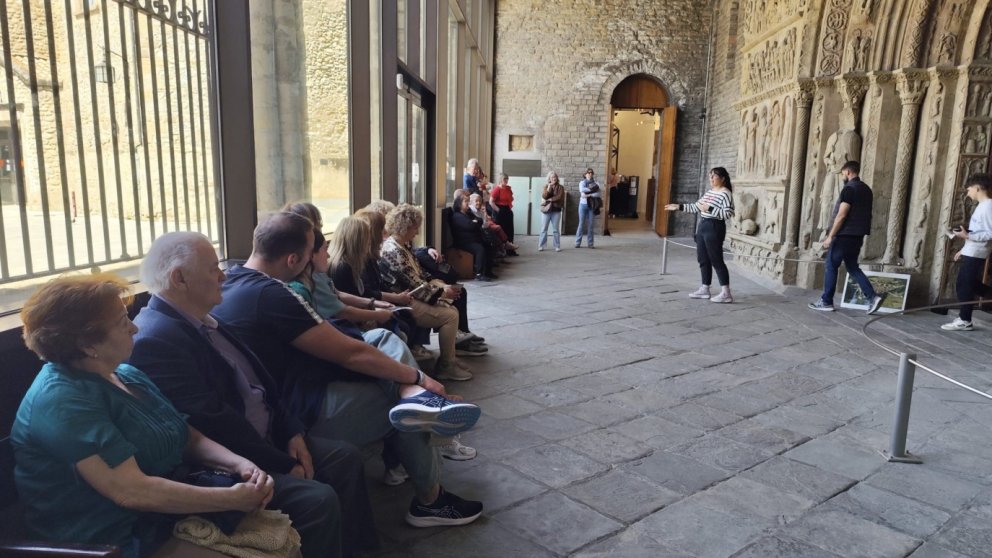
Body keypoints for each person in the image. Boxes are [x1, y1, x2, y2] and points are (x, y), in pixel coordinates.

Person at [211, 212, 483, 528]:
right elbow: (348, 353)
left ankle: (418, 401)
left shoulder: (234, 279)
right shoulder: (273, 295)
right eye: (314, 250)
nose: (318, 257)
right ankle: (431, 500)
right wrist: (418, 376)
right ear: (294, 259)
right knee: (407, 409)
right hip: (296, 414)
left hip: (291, 396)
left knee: (382, 343)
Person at [129, 232, 377, 558]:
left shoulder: (202, 318)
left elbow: (261, 382)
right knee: (317, 500)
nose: (223, 275)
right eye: (212, 268)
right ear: (179, 279)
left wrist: (292, 430)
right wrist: (282, 463)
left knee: (344, 458)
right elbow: (213, 422)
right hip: (236, 461)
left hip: (271, 436)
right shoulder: (156, 339)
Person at [12, 274, 275, 558]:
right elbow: (131, 492)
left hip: (160, 518)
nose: (135, 328)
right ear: (88, 344)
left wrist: (240, 465)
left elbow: (185, 436)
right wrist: (232, 499)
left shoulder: (125, 375)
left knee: (280, 536)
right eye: (122, 322)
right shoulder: (61, 401)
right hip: (105, 541)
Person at [380, 204, 476, 381]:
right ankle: (446, 365)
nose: (416, 233)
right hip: (402, 302)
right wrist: (443, 292)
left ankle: (450, 359)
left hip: (409, 296)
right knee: (450, 315)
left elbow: (420, 275)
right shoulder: (395, 251)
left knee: (452, 311)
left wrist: (440, 284)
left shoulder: (401, 245)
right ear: (405, 227)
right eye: (415, 228)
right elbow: (416, 286)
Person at [807, 160, 887, 314]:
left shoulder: (849, 189)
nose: (842, 176)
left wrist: (831, 236)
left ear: (848, 172)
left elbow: (841, 215)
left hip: (844, 235)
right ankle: (872, 297)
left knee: (831, 265)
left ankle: (826, 301)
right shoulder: (866, 189)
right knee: (852, 266)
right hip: (857, 235)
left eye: (843, 173)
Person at [666, 167, 737, 303]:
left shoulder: (726, 193)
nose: (711, 179)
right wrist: (678, 207)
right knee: (703, 259)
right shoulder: (709, 192)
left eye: (714, 176)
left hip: (715, 226)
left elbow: (728, 214)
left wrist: (710, 208)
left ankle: (726, 293)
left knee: (716, 259)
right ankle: (705, 288)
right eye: (710, 176)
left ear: (722, 178)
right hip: (703, 225)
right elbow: (697, 207)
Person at [942, 173, 992, 331]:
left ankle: (965, 319)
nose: (968, 191)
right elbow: (977, 230)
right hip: (971, 249)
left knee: (964, 285)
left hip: (978, 251)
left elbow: (990, 232)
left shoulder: (989, 206)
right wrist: (963, 247)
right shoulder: (981, 206)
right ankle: (965, 318)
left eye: (969, 188)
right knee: (969, 283)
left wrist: (967, 236)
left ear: (977, 188)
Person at [452, 195, 497, 281]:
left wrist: (475, 222)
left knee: (489, 245)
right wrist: (475, 222)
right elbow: (470, 226)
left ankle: (487, 271)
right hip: (464, 242)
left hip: (473, 238)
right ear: (459, 204)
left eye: (468, 201)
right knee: (480, 249)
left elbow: (479, 220)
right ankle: (479, 273)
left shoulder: (468, 213)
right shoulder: (457, 216)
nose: (468, 204)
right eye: (465, 202)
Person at [539, 171, 565, 252]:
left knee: (556, 230)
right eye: (552, 177)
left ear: (557, 178)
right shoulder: (546, 186)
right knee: (544, 229)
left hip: (556, 210)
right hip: (546, 210)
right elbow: (544, 196)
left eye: (555, 177)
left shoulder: (560, 187)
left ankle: (557, 246)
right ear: (549, 179)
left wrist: (550, 199)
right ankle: (541, 245)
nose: (554, 179)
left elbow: (559, 197)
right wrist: (549, 188)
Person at [576, 168, 602, 248]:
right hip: (583, 205)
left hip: (592, 206)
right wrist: (593, 189)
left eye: (591, 173)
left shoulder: (596, 183)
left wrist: (589, 194)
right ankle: (577, 243)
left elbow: (598, 194)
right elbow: (582, 190)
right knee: (581, 224)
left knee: (591, 225)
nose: (590, 174)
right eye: (588, 173)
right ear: (585, 174)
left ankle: (590, 244)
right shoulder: (582, 182)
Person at [490, 172, 517, 248]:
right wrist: (499, 210)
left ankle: (510, 249)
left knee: (510, 229)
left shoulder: (508, 188)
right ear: (500, 180)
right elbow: (491, 202)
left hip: (507, 209)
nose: (506, 180)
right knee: (502, 230)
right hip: (499, 209)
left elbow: (510, 199)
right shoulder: (497, 189)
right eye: (504, 179)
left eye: (507, 179)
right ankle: (502, 249)